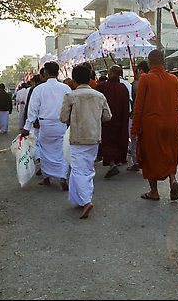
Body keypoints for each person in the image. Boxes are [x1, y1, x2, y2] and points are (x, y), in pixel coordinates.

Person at [60, 65, 112, 219]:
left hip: (77, 138)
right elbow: (108, 116)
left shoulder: (71, 96)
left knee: (77, 170)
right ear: (90, 78)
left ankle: (87, 201)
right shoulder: (99, 96)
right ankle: (81, 199)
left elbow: (63, 118)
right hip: (94, 137)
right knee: (88, 169)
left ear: (74, 80)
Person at [130, 49, 178, 201]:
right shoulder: (174, 80)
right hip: (171, 124)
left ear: (149, 62)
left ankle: (154, 192)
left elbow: (139, 106)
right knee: (169, 154)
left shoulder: (146, 78)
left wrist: (134, 128)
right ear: (163, 61)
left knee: (150, 157)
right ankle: (173, 180)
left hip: (152, 125)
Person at [21, 61, 71, 191]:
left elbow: (32, 111)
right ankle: (63, 177)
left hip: (45, 125)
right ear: (58, 73)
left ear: (46, 73)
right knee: (62, 151)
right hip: (62, 124)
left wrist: (27, 127)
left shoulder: (39, 89)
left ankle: (47, 177)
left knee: (45, 151)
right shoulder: (66, 88)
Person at [96, 65, 131, 178]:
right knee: (118, 140)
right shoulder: (123, 88)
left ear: (110, 74)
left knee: (107, 141)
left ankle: (112, 163)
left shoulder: (102, 86)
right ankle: (117, 160)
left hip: (106, 120)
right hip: (120, 120)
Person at [126, 60, 150, 172]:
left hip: (137, 115)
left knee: (134, 140)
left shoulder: (137, 83)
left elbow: (136, 103)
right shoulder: (153, 80)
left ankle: (136, 162)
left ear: (140, 70)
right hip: (150, 116)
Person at [24, 71, 46, 176]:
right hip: (58, 124)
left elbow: (30, 108)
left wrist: (26, 125)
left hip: (39, 123)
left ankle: (43, 167)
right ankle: (61, 176)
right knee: (56, 150)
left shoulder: (35, 89)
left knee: (39, 145)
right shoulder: (64, 88)